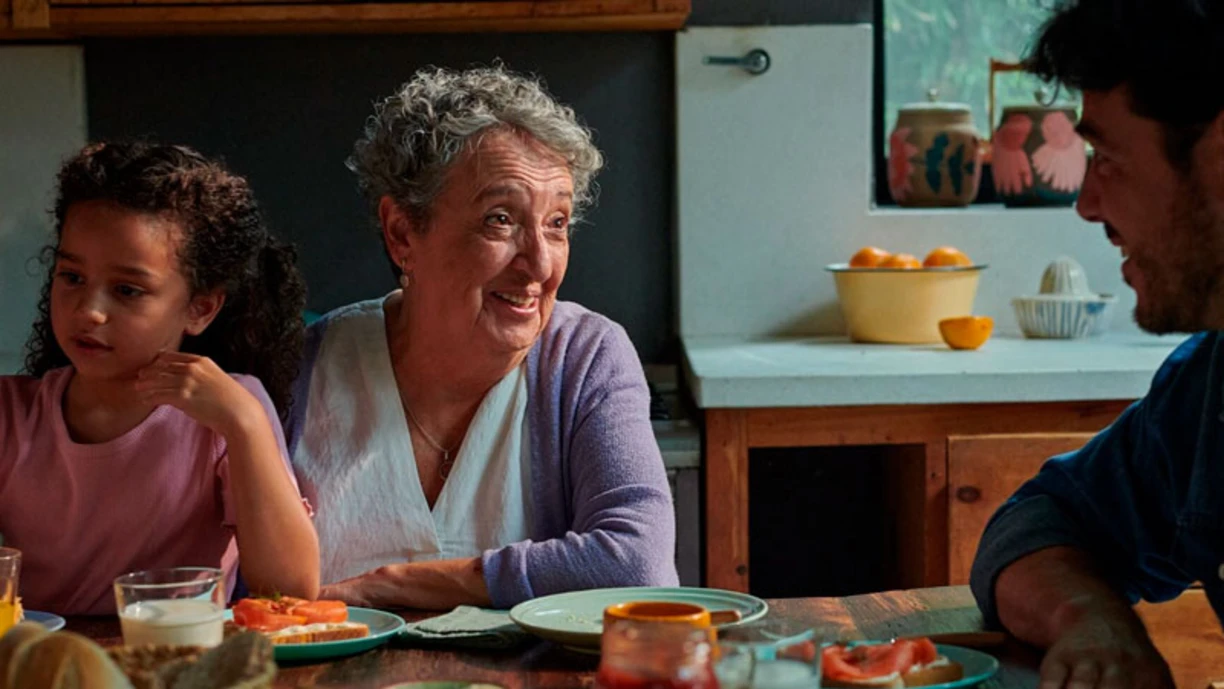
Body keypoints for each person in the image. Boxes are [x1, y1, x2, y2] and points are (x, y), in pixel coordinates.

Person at [287, 65, 678, 610]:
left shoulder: (585, 357)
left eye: (557, 224)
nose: (540, 265)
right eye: (500, 219)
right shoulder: (302, 372)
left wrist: (392, 585)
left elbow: (637, 564)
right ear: (403, 234)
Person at [970, 1, 1224, 687]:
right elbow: (1040, 520)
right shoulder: (1207, 392)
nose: (1085, 203)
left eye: (1106, 155)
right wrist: (1091, 617)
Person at [0, 142, 319, 615]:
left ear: (200, 307)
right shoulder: (10, 414)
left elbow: (289, 591)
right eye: (71, 277)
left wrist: (245, 424)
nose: (88, 310)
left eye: (127, 290)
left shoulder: (231, 410)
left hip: (180, 667)